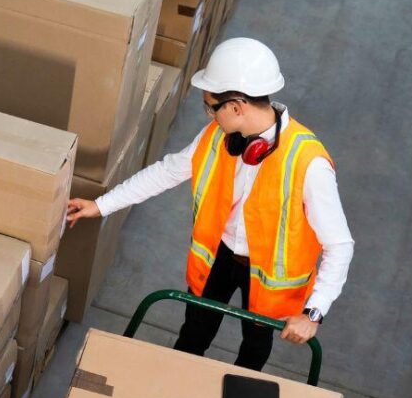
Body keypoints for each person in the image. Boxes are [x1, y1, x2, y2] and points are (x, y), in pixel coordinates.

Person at [66, 37, 354, 371]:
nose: (209, 115)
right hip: (219, 257)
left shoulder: (308, 163)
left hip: (267, 281)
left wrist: (313, 313)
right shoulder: (217, 139)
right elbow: (166, 172)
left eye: (211, 107)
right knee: (192, 335)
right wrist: (100, 205)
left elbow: (340, 245)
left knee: (253, 352)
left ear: (237, 106)